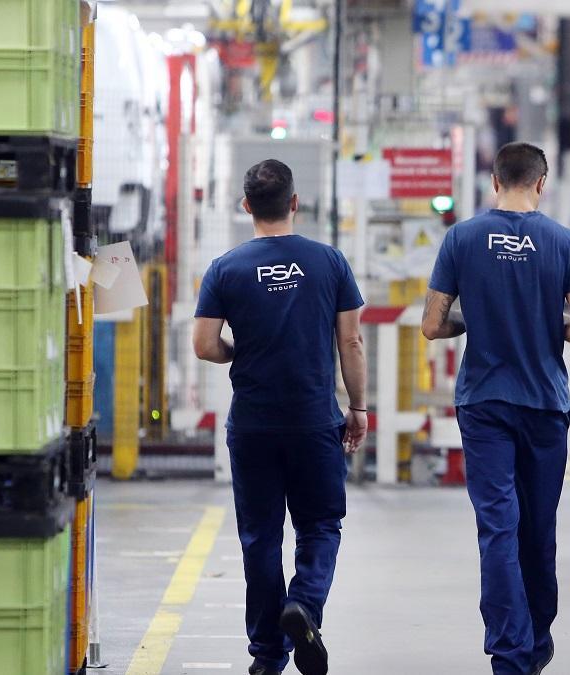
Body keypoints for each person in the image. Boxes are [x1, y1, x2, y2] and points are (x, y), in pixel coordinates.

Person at [422, 142, 570, 675]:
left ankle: (509, 651)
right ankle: (538, 636)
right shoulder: (566, 243)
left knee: (498, 526)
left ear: (494, 181)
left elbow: (432, 325)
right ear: (541, 183)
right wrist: (545, 325)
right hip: (545, 403)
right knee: (538, 526)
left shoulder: (463, 238)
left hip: (484, 403)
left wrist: (476, 322)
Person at [193, 159, 368, 675]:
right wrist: (357, 407)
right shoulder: (329, 262)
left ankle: (268, 657)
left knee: (260, 538)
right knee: (319, 524)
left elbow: (204, 345)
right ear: (295, 203)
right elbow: (351, 341)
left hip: (253, 424)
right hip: (315, 419)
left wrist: (237, 355)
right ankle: (305, 605)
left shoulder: (226, 267)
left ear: (247, 206)